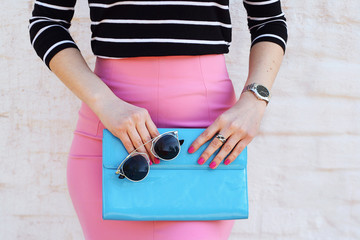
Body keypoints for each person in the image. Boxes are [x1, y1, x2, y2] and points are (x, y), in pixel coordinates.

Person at [29, 0, 288, 239]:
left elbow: (268, 20)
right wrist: (105, 103)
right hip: (111, 130)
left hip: (204, 141)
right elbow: (47, 22)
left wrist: (255, 100)